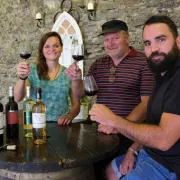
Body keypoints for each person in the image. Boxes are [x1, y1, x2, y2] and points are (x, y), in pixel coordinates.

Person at [90, 15, 180, 179]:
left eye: (160, 39)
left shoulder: (153, 68)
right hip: (144, 149)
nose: (154, 49)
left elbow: (163, 139)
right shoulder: (161, 74)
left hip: (168, 165)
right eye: (148, 43)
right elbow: (82, 92)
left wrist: (114, 122)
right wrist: (133, 149)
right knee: (103, 171)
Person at [65, 19, 154, 151]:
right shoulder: (98, 64)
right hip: (100, 132)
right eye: (107, 40)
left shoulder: (144, 63)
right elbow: (79, 94)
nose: (110, 44)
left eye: (115, 38)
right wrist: (76, 80)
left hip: (131, 137)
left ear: (127, 38)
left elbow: (147, 104)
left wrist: (118, 126)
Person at [14, 31, 80, 125]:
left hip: (61, 127)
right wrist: (21, 78)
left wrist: (69, 116)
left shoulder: (68, 73)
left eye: (56, 46)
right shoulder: (32, 70)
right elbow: (17, 98)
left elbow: (76, 104)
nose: (52, 49)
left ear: (61, 49)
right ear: (42, 50)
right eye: (47, 46)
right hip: (36, 126)